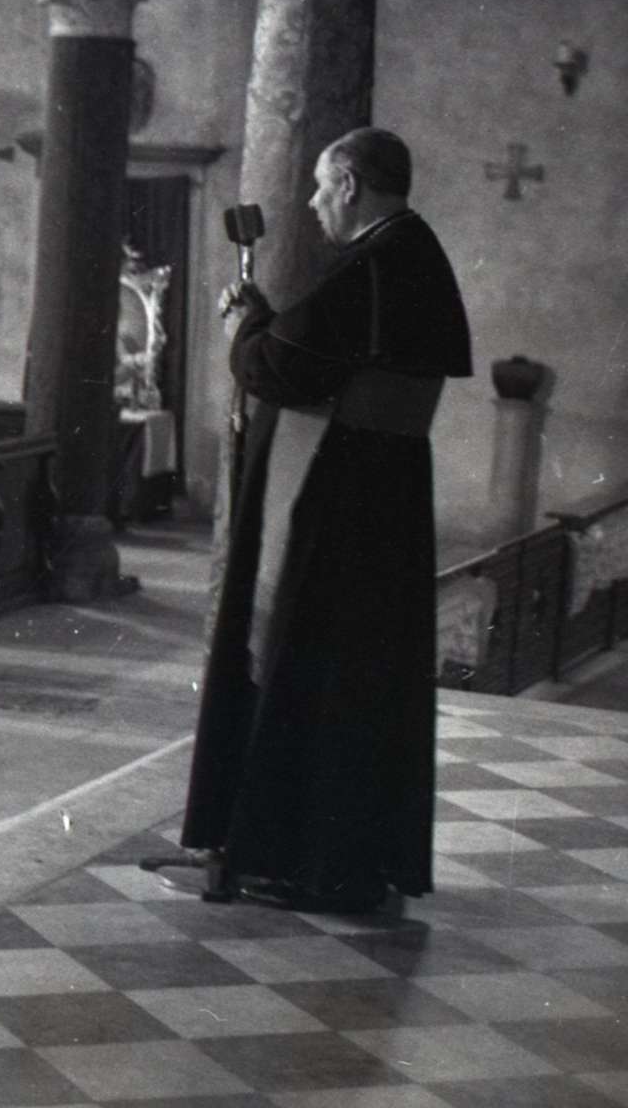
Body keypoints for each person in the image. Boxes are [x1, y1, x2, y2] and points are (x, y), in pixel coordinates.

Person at [181, 127, 472, 914]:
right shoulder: (413, 253)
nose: (312, 203)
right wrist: (268, 324)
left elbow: (282, 366)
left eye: (319, 186)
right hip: (386, 491)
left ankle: (303, 862)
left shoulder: (376, 260)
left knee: (313, 666)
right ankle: (350, 861)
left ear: (350, 184)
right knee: (362, 678)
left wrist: (243, 328)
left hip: (343, 497)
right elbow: (322, 350)